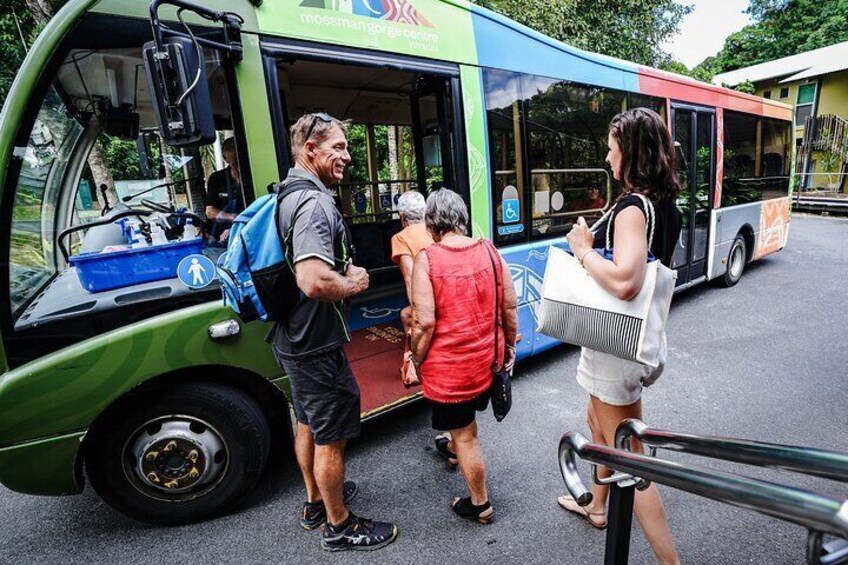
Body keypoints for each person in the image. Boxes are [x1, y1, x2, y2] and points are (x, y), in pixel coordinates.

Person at [559, 107, 682, 565]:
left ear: (630, 151)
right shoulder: (663, 204)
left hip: (618, 345)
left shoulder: (633, 207)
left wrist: (584, 252)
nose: (607, 156)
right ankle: (596, 505)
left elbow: (627, 281)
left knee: (632, 456)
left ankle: (671, 562)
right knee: (598, 423)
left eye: (612, 147)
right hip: (631, 338)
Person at [271, 112, 398, 552]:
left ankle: (314, 503)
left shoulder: (286, 193)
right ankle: (340, 525)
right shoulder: (314, 203)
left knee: (306, 422)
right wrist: (354, 282)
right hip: (316, 342)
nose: (347, 156)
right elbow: (312, 280)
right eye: (338, 147)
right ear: (311, 150)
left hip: (292, 337)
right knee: (331, 436)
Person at [409, 188, 518, 524]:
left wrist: (415, 358)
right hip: (485, 365)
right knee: (466, 430)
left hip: (450, 374)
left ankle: (480, 504)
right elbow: (510, 308)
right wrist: (510, 346)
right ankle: (455, 448)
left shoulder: (427, 259)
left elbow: (423, 323)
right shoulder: (489, 251)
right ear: (462, 219)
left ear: (431, 225)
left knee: (466, 437)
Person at [390, 190, 434, 333]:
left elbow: (410, 277)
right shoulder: (434, 230)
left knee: (405, 315)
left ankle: (413, 352)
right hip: (445, 294)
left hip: (427, 298)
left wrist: (417, 313)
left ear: (402, 216)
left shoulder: (400, 238)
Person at [205, 137, 244, 243]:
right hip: (222, 236)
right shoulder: (217, 178)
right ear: (225, 159)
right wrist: (233, 217)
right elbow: (210, 212)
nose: (238, 167)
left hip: (247, 228)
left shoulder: (252, 177)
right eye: (235, 163)